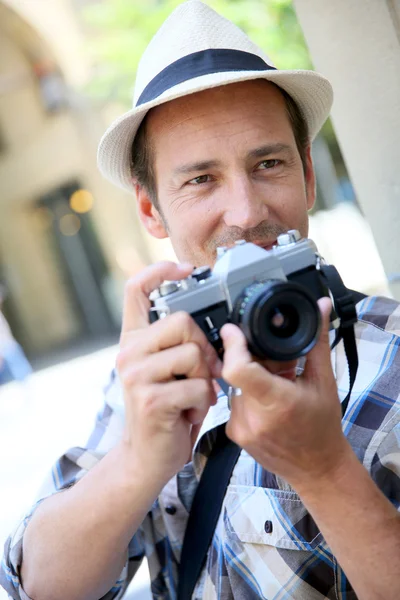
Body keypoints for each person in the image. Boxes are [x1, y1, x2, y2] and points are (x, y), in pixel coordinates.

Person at [2, 2, 400, 599]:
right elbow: (40, 586)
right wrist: (138, 460)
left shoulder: (391, 355)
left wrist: (324, 473)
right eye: (200, 180)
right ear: (149, 210)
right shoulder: (157, 363)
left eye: (268, 164)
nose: (245, 212)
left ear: (308, 176)